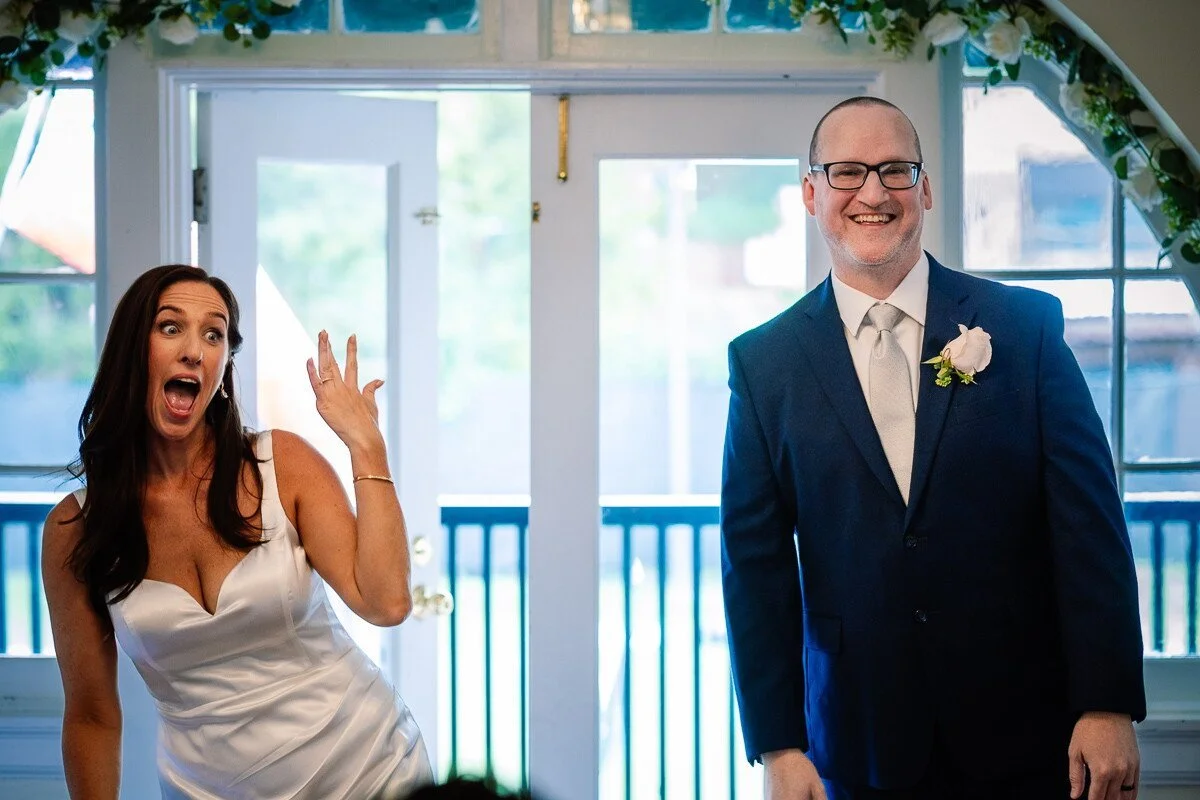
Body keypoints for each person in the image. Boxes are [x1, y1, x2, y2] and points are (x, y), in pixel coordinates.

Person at [719, 97, 1146, 800]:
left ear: (924, 188)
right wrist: (778, 744)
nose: (873, 193)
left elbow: (1088, 526)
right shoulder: (764, 365)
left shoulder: (1023, 328)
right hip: (854, 742)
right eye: (848, 172)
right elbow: (754, 569)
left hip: (1029, 735)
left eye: (894, 170)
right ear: (810, 193)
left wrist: (1106, 703)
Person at [43, 264, 433, 799]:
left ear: (223, 365)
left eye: (214, 333)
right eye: (171, 326)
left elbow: (386, 603)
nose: (194, 350)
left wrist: (366, 445)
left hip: (370, 768)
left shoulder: (282, 464)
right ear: (131, 351)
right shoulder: (74, 529)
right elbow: (90, 716)